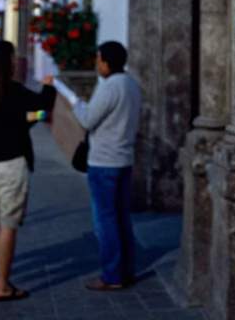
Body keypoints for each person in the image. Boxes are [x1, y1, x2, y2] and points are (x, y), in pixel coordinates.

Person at [0, 40, 56, 301]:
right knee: (8, 224)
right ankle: (3, 285)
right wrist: (49, 86)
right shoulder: (14, 90)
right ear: (7, 63)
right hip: (11, 163)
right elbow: (42, 104)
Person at [69, 40, 141, 292]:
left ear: (106, 61)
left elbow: (88, 119)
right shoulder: (132, 84)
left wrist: (77, 105)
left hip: (104, 162)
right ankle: (126, 270)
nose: (97, 64)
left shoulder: (110, 87)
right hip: (124, 159)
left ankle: (112, 275)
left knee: (106, 221)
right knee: (122, 218)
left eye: (99, 59)